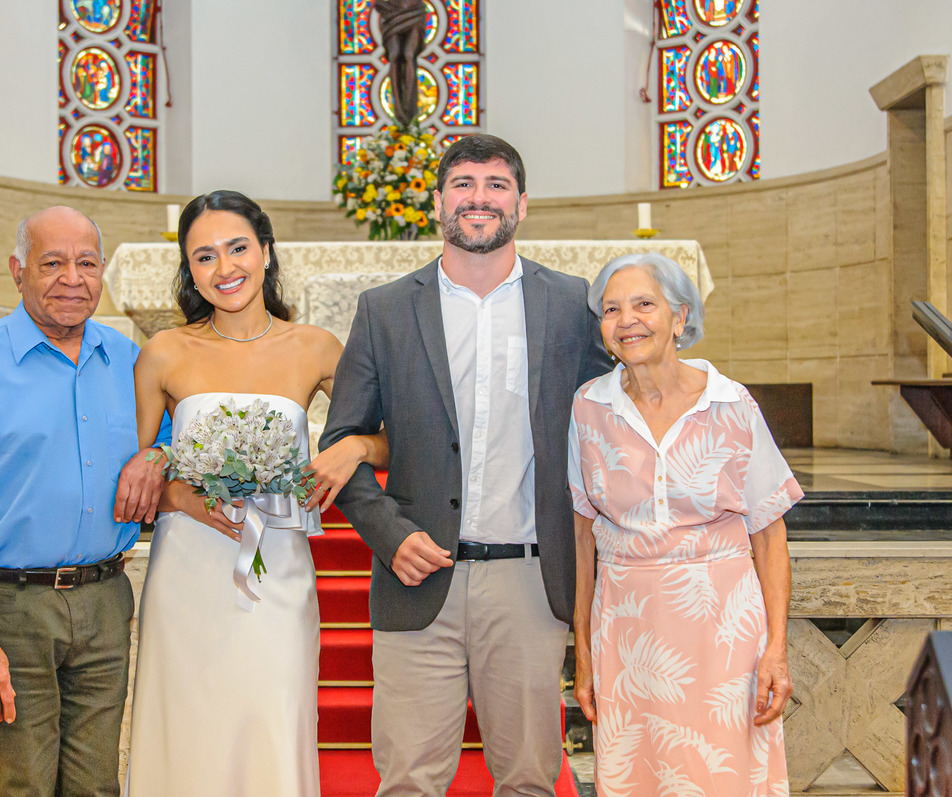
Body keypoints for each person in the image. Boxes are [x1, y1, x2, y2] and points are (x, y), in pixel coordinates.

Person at [321, 134, 612, 796]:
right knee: (408, 781)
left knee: (532, 779)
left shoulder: (571, 304)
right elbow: (342, 440)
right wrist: (391, 537)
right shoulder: (385, 310)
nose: (479, 197)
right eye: (463, 184)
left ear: (522, 203)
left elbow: (610, 420)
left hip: (530, 581)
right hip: (418, 576)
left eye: (496, 184)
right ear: (437, 202)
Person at [124, 190, 388, 796]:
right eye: (204, 257)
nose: (225, 268)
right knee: (187, 724)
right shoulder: (165, 352)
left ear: (266, 252)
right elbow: (137, 479)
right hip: (188, 568)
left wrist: (354, 448)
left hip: (277, 570)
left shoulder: (315, 347)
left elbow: (390, 440)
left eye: (238, 248)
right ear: (189, 270)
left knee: (274, 713)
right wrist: (185, 497)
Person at [0, 206, 167, 796]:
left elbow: (176, 434)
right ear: (17, 270)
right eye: (52, 263)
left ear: (103, 271)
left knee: (95, 784)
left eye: (86, 263)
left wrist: (156, 456)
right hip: (10, 607)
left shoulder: (130, 361)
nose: (71, 279)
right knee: (19, 783)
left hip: (106, 598)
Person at [568, 253, 799, 796]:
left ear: (680, 317)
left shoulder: (732, 403)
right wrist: (583, 652)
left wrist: (777, 649)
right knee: (636, 775)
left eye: (644, 304)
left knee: (724, 774)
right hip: (628, 632)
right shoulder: (588, 408)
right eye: (611, 309)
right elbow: (582, 539)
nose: (627, 320)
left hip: (723, 632)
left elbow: (769, 534)